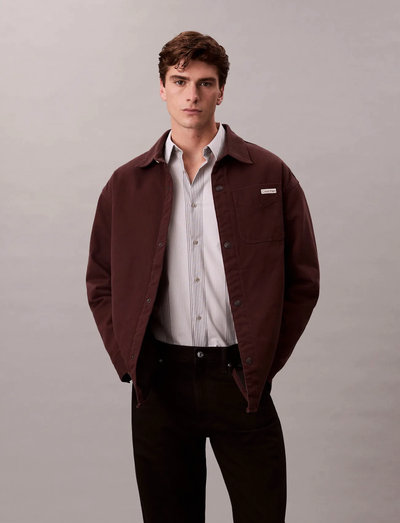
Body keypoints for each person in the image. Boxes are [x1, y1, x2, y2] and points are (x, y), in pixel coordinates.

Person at [86, 31, 319, 523]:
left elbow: (302, 278)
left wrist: (262, 360)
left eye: (205, 83)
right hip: (160, 382)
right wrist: (128, 357)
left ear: (221, 91)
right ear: (162, 88)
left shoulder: (269, 174)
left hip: (239, 378)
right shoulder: (126, 184)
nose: (192, 94)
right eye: (180, 81)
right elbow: (101, 279)